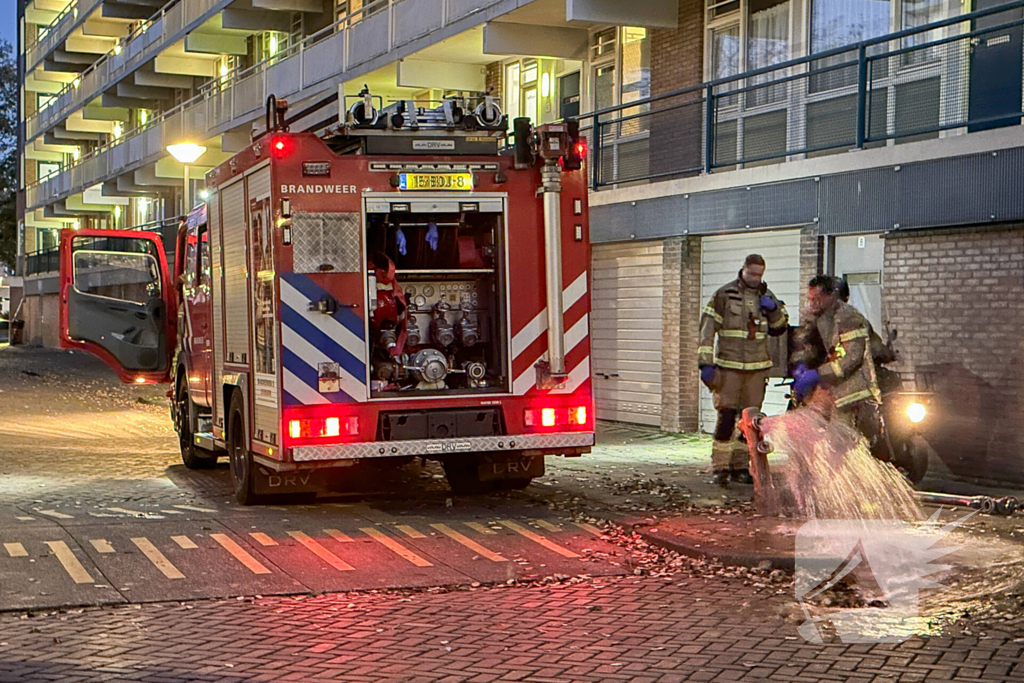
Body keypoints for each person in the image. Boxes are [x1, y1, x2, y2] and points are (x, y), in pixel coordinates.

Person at [698, 254, 789, 486]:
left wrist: (774, 310)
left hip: (757, 370)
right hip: (729, 368)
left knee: (748, 421)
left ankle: (740, 467)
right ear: (743, 270)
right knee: (726, 418)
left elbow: (780, 329)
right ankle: (719, 468)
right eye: (752, 274)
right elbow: (707, 329)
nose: (756, 279)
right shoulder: (724, 295)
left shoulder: (767, 297)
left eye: (760, 275)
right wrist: (705, 363)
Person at [791, 275, 883, 448]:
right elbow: (805, 344)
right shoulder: (814, 317)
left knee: (844, 445)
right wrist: (800, 365)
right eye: (810, 299)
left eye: (817, 299)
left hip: (851, 395)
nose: (812, 304)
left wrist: (817, 374)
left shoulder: (850, 319)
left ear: (831, 296)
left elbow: (851, 358)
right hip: (827, 393)